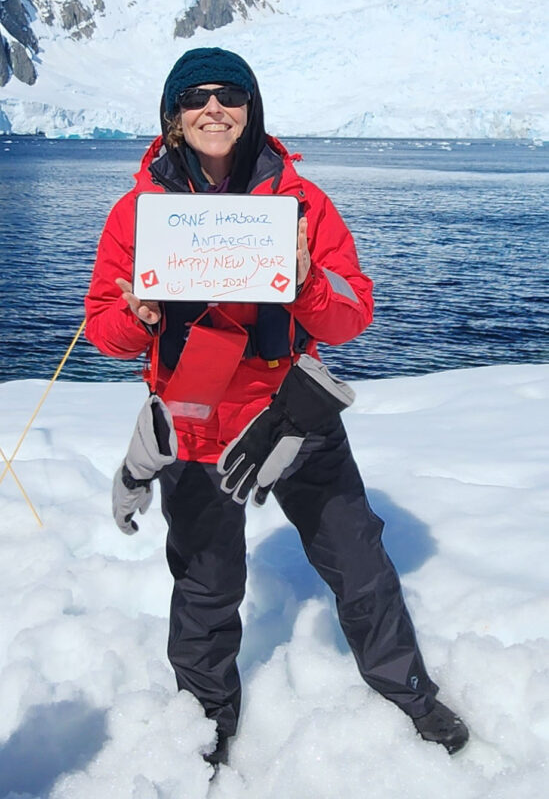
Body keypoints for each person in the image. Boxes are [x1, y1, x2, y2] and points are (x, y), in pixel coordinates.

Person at [85, 47, 469, 767]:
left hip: (294, 414)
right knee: (206, 587)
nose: (213, 108)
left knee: (360, 566)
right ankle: (205, 727)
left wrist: (306, 280)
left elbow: (355, 312)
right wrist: (136, 315)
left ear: (250, 107)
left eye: (229, 94)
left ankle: (408, 695)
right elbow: (102, 326)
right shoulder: (138, 213)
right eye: (195, 97)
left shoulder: (304, 204)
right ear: (172, 116)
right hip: (195, 423)